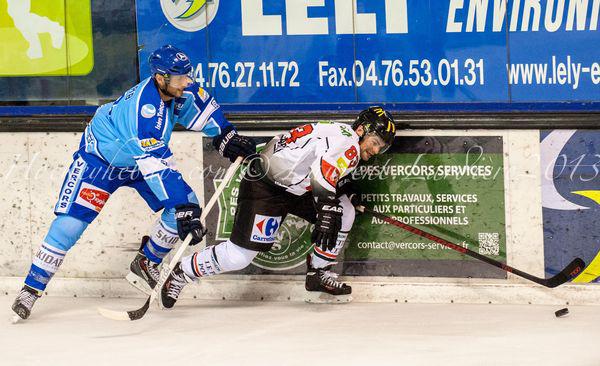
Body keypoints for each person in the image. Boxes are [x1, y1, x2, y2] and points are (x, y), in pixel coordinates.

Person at [11, 44, 256, 320]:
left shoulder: (180, 88)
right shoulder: (144, 113)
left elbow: (205, 110)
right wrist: (182, 205)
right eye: (180, 77)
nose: (187, 81)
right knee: (70, 224)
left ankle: (147, 261)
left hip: (139, 159)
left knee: (185, 206)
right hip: (100, 161)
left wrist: (227, 136)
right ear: (160, 78)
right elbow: (158, 167)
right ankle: (31, 288)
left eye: (188, 75)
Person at [158, 106, 397, 308]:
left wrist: (342, 192)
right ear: (361, 130)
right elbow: (322, 173)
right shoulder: (349, 143)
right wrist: (326, 206)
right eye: (375, 143)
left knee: (344, 210)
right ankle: (183, 270)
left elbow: (319, 168)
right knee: (240, 256)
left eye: (381, 148)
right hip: (266, 187)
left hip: (296, 187)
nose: (375, 151)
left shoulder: (339, 133)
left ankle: (318, 272)